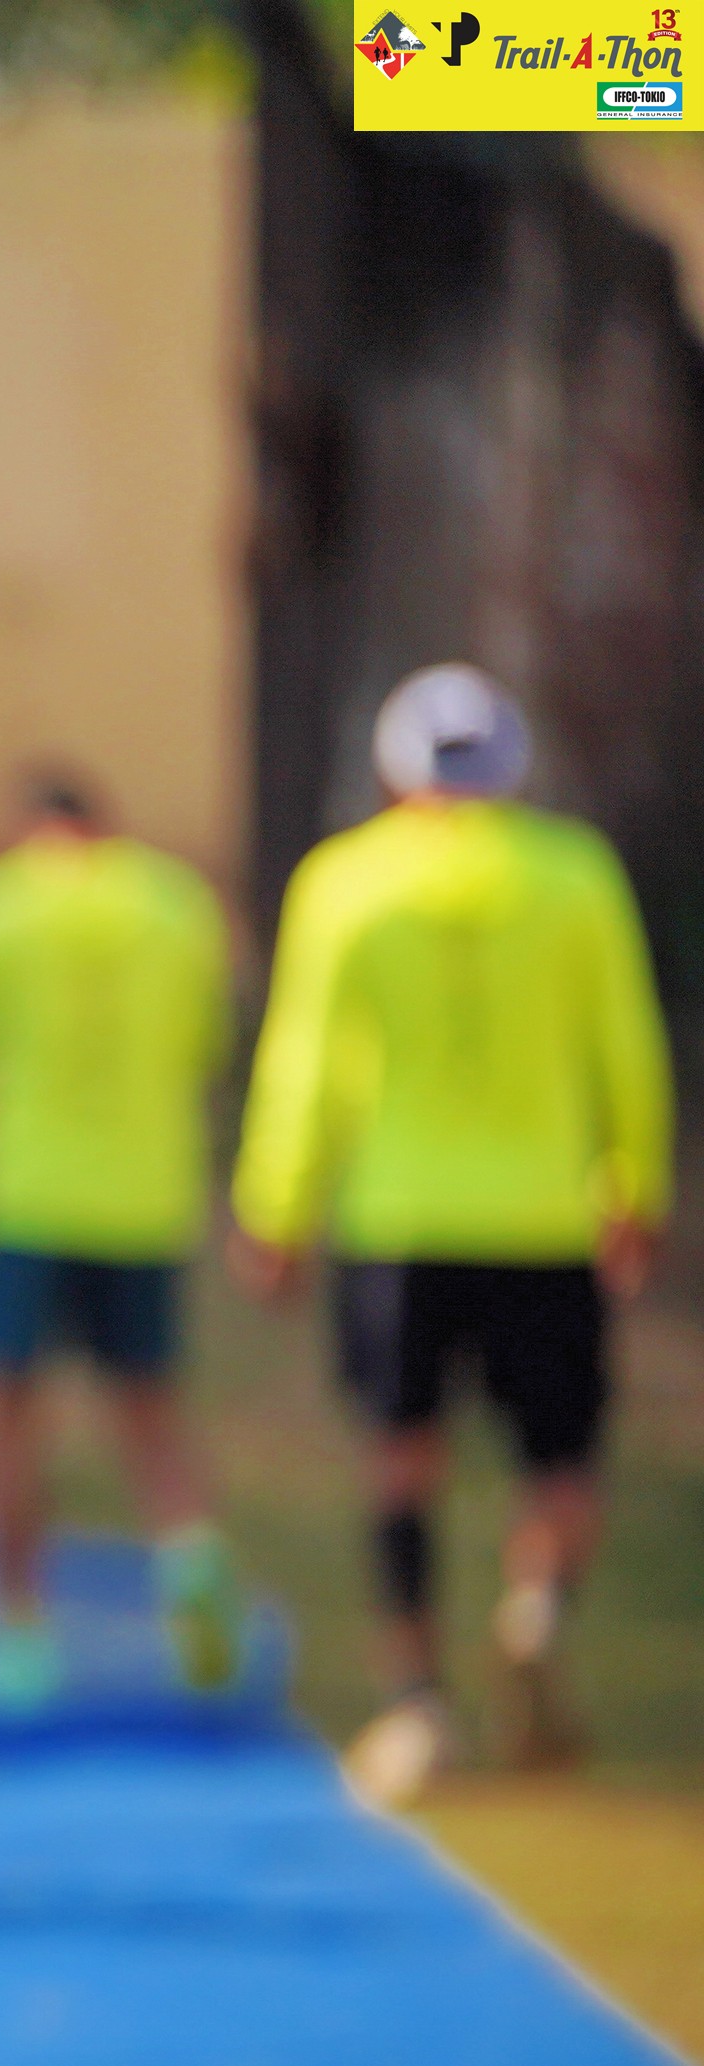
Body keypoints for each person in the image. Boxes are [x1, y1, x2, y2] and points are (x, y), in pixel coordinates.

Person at [233, 665, 671, 1808]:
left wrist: (276, 1209)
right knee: (560, 1461)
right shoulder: (573, 877)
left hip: (401, 1222)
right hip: (544, 1219)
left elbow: (306, 1062)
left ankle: (419, 1704)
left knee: (401, 1461)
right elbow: (626, 1043)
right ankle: (538, 1607)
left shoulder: (348, 883)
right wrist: (637, 1186)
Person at [0, 770, 240, 1715]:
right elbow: (206, 1045)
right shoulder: (176, 907)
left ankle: (19, 1634)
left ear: (26, 831)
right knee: (150, 1410)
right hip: (144, 1201)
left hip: (29, 1199)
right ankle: (189, 1556)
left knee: (7, 1417)